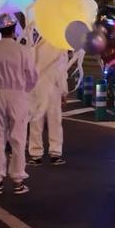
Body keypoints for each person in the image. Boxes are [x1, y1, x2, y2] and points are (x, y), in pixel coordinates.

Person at [0, 14, 37, 195]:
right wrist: (23, 89)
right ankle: (18, 179)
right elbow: (32, 77)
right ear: (14, 30)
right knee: (18, 138)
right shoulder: (23, 50)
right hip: (17, 95)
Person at [27, 38, 68, 166]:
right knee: (54, 121)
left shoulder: (35, 44)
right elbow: (62, 71)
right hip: (51, 88)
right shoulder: (59, 45)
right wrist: (63, 90)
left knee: (36, 121)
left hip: (39, 87)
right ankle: (54, 153)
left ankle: (36, 154)